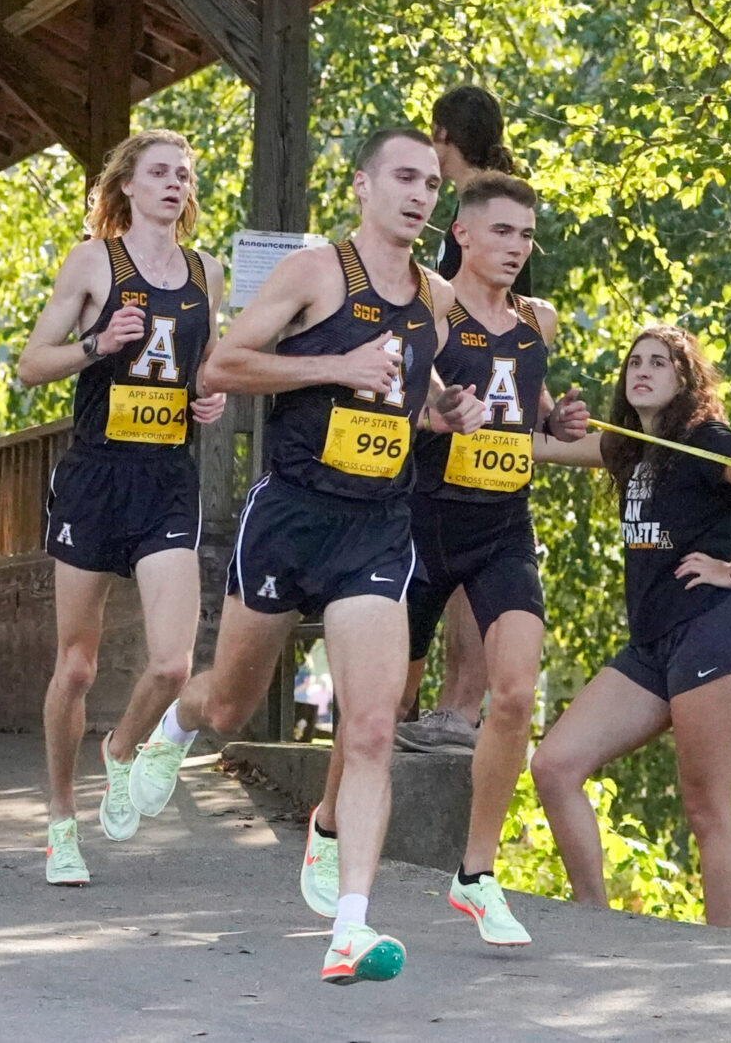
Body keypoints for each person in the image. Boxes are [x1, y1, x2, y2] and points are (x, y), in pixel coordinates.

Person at [127, 127, 487, 983]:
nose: (420, 195)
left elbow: (414, 389)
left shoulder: (435, 297)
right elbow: (220, 367)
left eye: (430, 183)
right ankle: (177, 724)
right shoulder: (315, 272)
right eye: (404, 178)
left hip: (376, 526)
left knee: (372, 725)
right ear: (363, 184)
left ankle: (350, 927)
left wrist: (447, 411)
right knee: (230, 701)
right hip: (291, 514)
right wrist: (335, 365)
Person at [303, 173, 589, 946]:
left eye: (526, 235)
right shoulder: (430, 304)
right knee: (382, 705)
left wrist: (557, 420)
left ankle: (477, 872)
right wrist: (436, 414)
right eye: (502, 231)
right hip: (418, 527)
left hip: (501, 529)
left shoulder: (538, 320)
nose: (517, 247)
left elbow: (526, 410)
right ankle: (328, 823)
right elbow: (394, 397)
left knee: (516, 693)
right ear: (462, 233)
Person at [13, 130, 227, 887]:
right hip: (96, 477)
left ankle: (122, 748)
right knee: (77, 666)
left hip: (166, 476)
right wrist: (97, 344)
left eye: (184, 174)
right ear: (128, 185)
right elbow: (30, 364)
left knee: (172, 663)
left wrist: (207, 396)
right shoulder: (93, 262)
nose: (175, 183)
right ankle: (60, 823)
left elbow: (205, 364)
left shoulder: (207, 272)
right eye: (160, 172)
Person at [529, 325, 731, 929]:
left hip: (713, 635)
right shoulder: (627, 448)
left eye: (658, 363)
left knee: (706, 810)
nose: (642, 372)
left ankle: (720, 955)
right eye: (634, 363)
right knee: (554, 766)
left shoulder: (706, 440)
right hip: (652, 648)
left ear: (684, 380)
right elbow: (535, 449)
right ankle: (595, 921)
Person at [405, 85, 529, 756]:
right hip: (451, 406)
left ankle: (457, 709)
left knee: (466, 559)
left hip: (478, 404)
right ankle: (419, 705)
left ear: (442, 135)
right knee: (436, 560)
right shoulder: (478, 207)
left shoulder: (485, 212)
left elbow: (505, 316)